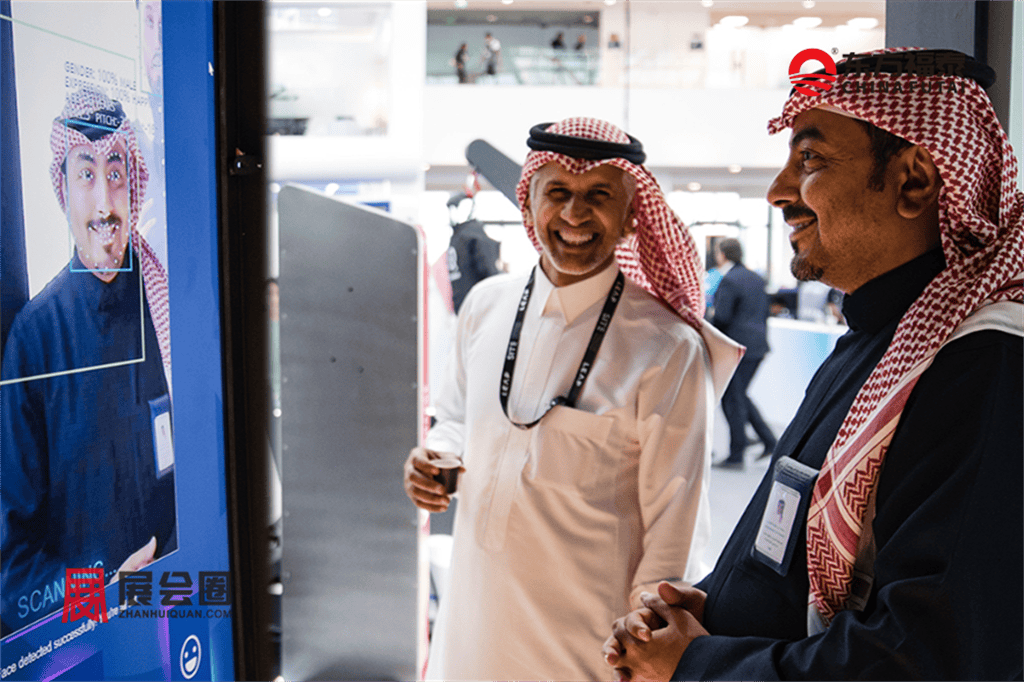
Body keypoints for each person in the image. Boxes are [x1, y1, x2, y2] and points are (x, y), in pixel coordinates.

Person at [602, 48, 1023, 681]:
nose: (779, 191)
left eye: (810, 161)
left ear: (913, 181)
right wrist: (714, 609)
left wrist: (700, 665)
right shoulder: (880, 335)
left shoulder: (982, 363)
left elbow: (930, 655)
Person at [404, 117, 741, 681]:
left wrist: (646, 640)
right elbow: (456, 418)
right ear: (528, 202)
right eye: (557, 192)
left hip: (586, 651)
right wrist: (436, 458)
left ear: (632, 216)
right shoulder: (484, 306)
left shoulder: (667, 347)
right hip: (471, 632)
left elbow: (675, 526)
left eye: (599, 196)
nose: (575, 214)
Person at [1, 88, 176, 636]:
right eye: (85, 175)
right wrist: (100, 595)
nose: (104, 204)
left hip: (181, 616)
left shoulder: (166, 313)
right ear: (63, 190)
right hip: (85, 647)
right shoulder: (34, 340)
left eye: (116, 173)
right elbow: (12, 572)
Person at [710, 238, 776, 469]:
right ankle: (768, 440)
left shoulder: (729, 280)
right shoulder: (755, 278)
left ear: (722, 255)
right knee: (739, 395)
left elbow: (722, 317)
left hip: (738, 347)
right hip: (757, 346)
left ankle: (737, 453)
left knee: (733, 399)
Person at [445, 192, 502, 313]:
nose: (452, 213)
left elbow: (489, 272)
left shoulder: (469, 236)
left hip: (475, 305)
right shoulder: (463, 236)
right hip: (471, 305)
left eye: (455, 208)